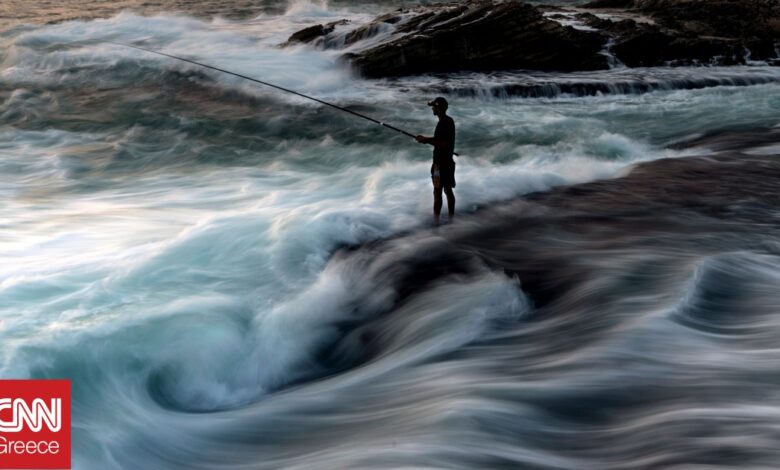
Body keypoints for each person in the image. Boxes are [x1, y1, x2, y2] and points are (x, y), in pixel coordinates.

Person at [416, 97, 455, 225]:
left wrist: (425, 140)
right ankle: (451, 220)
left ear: (438, 108)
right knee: (448, 190)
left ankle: (436, 222)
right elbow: (444, 142)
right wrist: (428, 140)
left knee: (437, 192)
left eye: (433, 106)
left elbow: (442, 142)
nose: (432, 108)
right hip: (448, 162)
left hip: (440, 164)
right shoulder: (449, 121)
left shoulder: (443, 123)